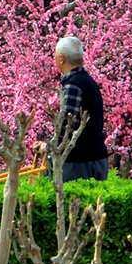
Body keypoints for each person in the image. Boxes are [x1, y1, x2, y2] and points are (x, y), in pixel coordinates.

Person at [37, 36, 109, 182]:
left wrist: (48, 147)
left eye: (55, 56)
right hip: (97, 158)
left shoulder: (72, 86)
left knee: (69, 203)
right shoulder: (90, 82)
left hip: (76, 163)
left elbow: (67, 128)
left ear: (61, 59)